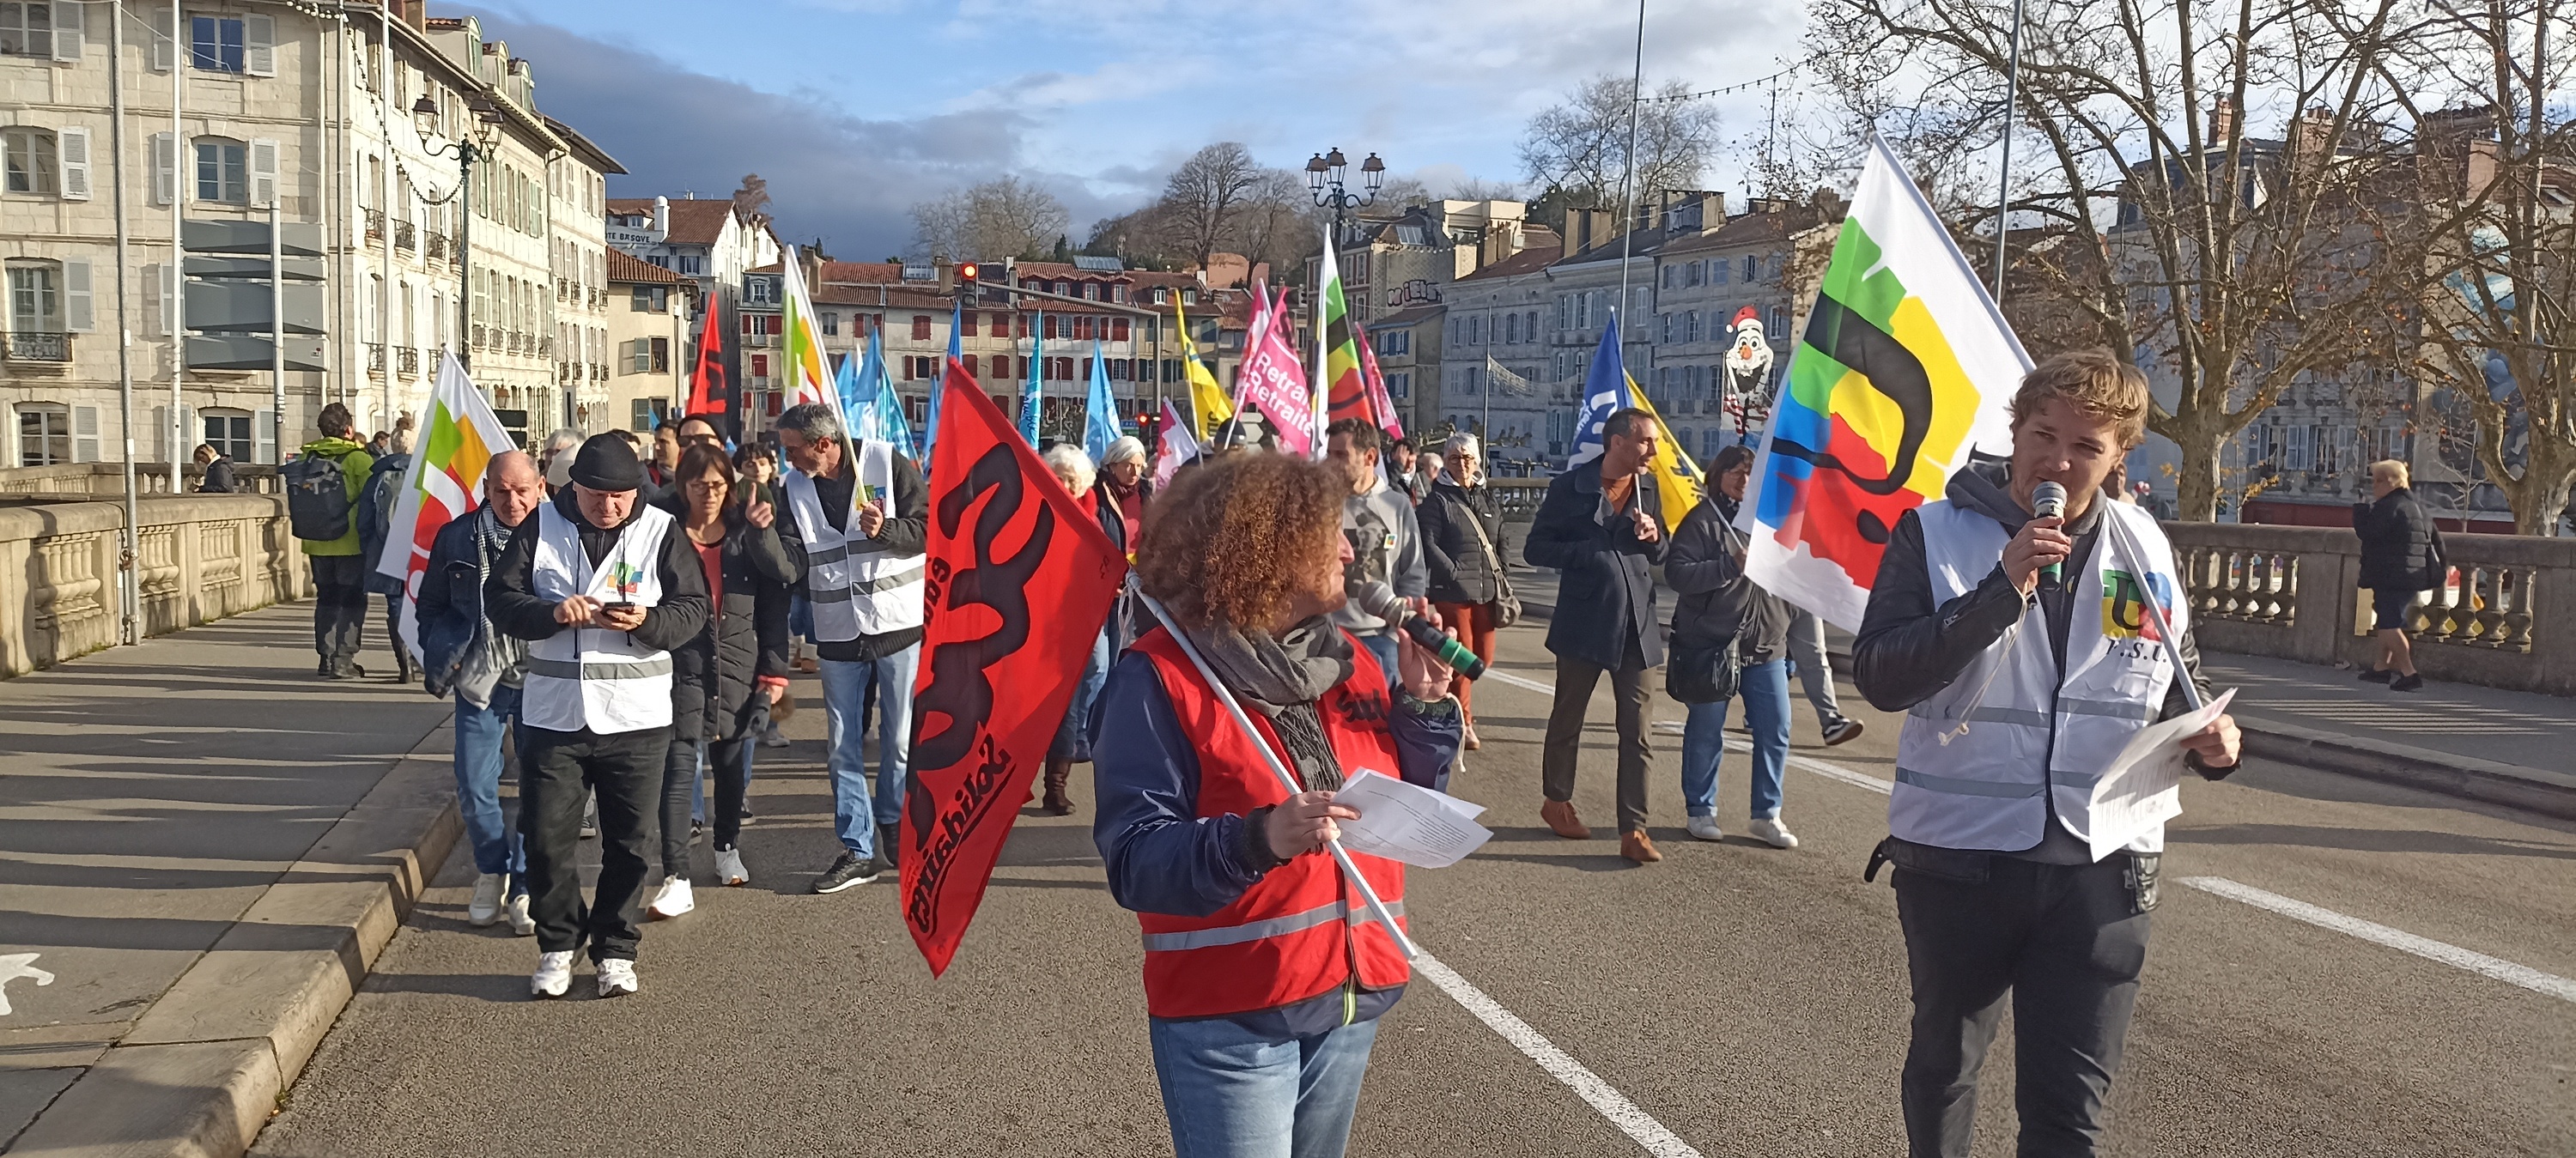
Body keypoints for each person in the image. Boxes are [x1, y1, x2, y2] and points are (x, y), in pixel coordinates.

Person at [1852, 350, 2241, 1157]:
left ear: (2118, 457)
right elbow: (1882, 676)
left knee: (2070, 1113)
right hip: (1961, 860)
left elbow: (2177, 683)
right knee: (1944, 1068)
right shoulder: (1933, 532)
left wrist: (2214, 743)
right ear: (2014, 429)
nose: (2058, 461)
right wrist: (1999, 587)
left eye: (2085, 447)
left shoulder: (2145, 546)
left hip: (2104, 868)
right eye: (2044, 435)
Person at [1093, 452, 1460, 1158]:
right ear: (1266, 546)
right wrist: (1259, 837)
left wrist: (1425, 705)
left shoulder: (1348, 654)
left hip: (1349, 995)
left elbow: (1405, 806)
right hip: (1232, 1013)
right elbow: (1136, 860)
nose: (1352, 550)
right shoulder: (1159, 675)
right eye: (1332, 536)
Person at [484, 434, 710, 999]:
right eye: (596, 496)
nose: (610, 506)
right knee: (544, 838)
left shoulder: (660, 529)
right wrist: (550, 612)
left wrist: (647, 621)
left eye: (621, 496)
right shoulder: (539, 528)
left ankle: (615, 946)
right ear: (571, 489)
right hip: (554, 718)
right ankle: (559, 944)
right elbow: (499, 597)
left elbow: (694, 610)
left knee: (630, 844)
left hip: (636, 718)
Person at [772, 403, 928, 893]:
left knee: (898, 741)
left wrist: (887, 530)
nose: (788, 459)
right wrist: (760, 537)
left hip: (897, 626)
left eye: (794, 449)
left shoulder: (885, 462)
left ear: (824, 444)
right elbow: (790, 560)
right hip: (837, 630)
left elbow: (928, 531)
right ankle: (858, 849)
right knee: (842, 746)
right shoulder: (792, 488)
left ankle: (894, 827)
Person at [649, 443, 795, 916]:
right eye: (699, 485)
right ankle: (675, 874)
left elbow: (777, 597)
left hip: (737, 663)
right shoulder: (661, 532)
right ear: (683, 485)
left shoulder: (744, 531)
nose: (709, 495)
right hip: (679, 665)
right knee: (677, 770)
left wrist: (774, 673)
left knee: (730, 768)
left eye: (717, 485)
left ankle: (726, 845)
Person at [1522, 409, 1668, 863]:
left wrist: (1655, 535)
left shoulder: (1649, 489)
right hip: (1584, 622)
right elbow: (1535, 548)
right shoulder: (1570, 488)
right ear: (1618, 442)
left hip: (1636, 626)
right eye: (1646, 442)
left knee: (1638, 732)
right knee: (1569, 719)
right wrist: (1588, 553)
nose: (1653, 451)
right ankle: (1556, 800)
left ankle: (1634, 829)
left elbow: (1661, 551)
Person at [417, 450, 545, 937]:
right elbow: (430, 603)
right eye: (501, 491)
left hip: (543, 678)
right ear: (486, 490)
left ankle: (526, 881)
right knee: (474, 785)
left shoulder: (558, 534)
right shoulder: (458, 537)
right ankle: (492, 870)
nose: (512, 502)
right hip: (481, 677)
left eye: (521, 491)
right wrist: (440, 644)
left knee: (542, 785)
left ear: (539, 489)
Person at [1667, 445, 1797, 848]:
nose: (1743, 480)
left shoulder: (1773, 521)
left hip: (1766, 645)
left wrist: (1787, 626)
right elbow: (1677, 574)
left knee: (1776, 728)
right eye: (1736, 472)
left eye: (1751, 474)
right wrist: (1727, 566)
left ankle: (1767, 815)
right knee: (1707, 730)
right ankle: (1700, 810)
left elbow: (1792, 579)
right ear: (1718, 475)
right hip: (1713, 645)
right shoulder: (1703, 521)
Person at [1039, 445, 1126, 816]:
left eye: (1070, 478)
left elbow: (1107, 561)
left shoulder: (1095, 516)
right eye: (1057, 477)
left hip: (1079, 623)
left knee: (1069, 705)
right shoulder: (1036, 514)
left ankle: (1054, 786)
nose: (1064, 484)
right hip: (1035, 625)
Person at [1415, 432, 1505, 753]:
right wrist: (1452, 573)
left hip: (1486, 591)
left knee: (1484, 658)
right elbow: (1428, 543)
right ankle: (1464, 722)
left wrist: (1503, 574)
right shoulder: (1436, 500)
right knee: (1464, 658)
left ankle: (1449, 705)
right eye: (1455, 458)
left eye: (1467, 458)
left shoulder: (1486, 498)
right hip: (1452, 592)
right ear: (1446, 462)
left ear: (1478, 461)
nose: (1462, 464)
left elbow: (1500, 538)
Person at [1322, 420, 1429, 681]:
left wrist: (1396, 633)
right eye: (1329, 454)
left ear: (1369, 457)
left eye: (1341, 455)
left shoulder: (1397, 506)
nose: (1331, 463)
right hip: (1328, 638)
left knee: (1383, 719)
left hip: (1381, 641)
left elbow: (1412, 575)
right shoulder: (1320, 503)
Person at [296, 403, 376, 680]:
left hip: (316, 540)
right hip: (350, 540)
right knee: (353, 600)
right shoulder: (357, 458)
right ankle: (344, 658)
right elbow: (374, 497)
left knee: (326, 599)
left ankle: (326, 656)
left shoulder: (306, 457)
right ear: (348, 428)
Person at [2354, 458, 2439, 692]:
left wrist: (2360, 510)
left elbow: (2369, 533)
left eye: (2377, 481)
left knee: (2390, 624)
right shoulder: (2415, 505)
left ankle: (2409, 674)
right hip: (2410, 574)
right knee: (2385, 620)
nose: (2373, 486)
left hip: (2392, 574)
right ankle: (2381, 668)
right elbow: (2435, 539)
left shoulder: (2389, 506)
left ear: (2390, 482)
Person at [357, 424, 419, 683]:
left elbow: (364, 520)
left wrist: (368, 547)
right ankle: (422, 658)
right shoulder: (428, 474)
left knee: (395, 606)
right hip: (422, 549)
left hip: (387, 547)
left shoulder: (378, 476)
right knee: (424, 604)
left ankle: (405, 667)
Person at [1784, 609, 1864, 746]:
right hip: (1767, 596)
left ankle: (1831, 722)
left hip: (1805, 598)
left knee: (1815, 659)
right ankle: (1756, 713)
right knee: (1766, 655)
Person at [1100, 435, 1152, 551]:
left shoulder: (1147, 493)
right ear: (1112, 464)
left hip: (1140, 566)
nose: (1135, 472)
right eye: (1129, 465)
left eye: (1139, 466)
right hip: (1107, 564)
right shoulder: (1097, 493)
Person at [1388, 437, 1430, 505]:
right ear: (1394, 456)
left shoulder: (1420, 474)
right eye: (1406, 461)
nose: (1409, 466)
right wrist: (1397, 466)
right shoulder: (1388, 473)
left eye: (1412, 461)